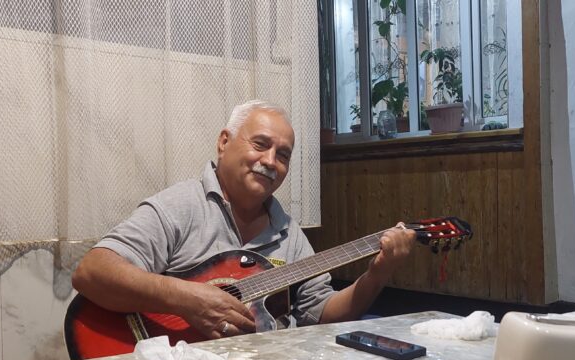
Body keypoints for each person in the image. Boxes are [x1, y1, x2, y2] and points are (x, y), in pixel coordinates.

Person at [72, 100, 414, 339]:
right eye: (260, 144)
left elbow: (321, 315)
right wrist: (186, 299)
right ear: (224, 142)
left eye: (283, 155)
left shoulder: (288, 232)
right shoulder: (180, 206)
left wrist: (377, 274)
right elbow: (92, 272)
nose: (270, 161)